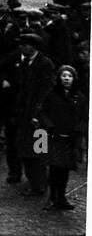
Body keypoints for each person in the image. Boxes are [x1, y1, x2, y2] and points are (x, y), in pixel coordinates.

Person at [6, 32, 57, 197]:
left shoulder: (45, 64)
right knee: (27, 149)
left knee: (39, 150)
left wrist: (37, 114)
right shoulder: (27, 62)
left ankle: (39, 185)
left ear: (32, 46)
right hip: (25, 115)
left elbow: (46, 93)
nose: (21, 47)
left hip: (38, 118)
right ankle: (36, 182)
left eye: (24, 45)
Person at [40, 64, 84, 211]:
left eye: (69, 76)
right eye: (64, 76)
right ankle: (52, 197)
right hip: (54, 137)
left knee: (64, 170)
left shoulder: (79, 96)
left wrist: (78, 128)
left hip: (70, 139)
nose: (66, 79)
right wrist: (50, 125)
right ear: (59, 78)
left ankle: (61, 197)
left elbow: (84, 116)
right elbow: (43, 112)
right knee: (54, 169)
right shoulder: (52, 94)